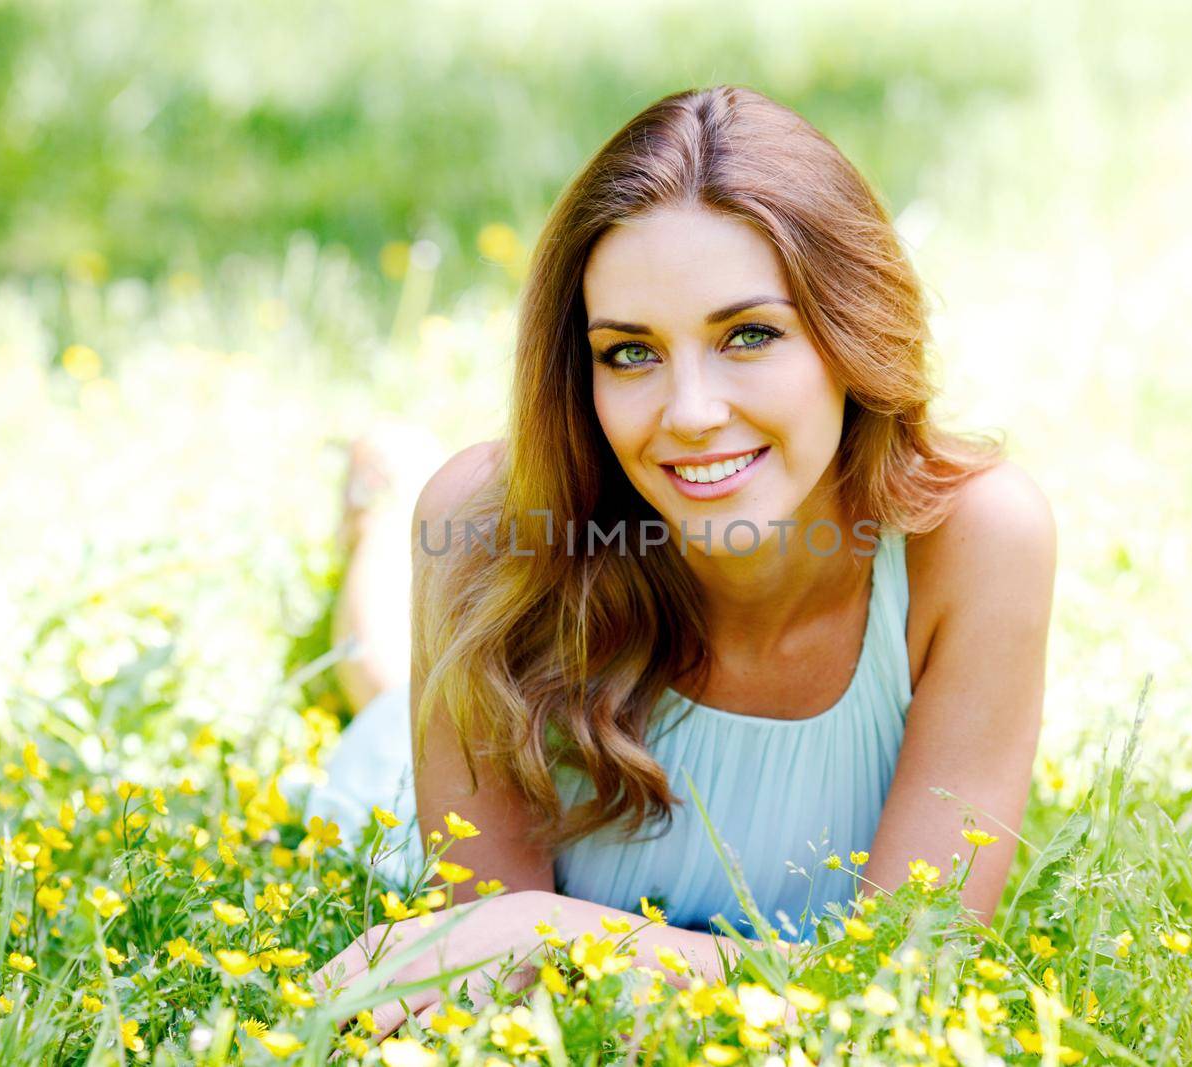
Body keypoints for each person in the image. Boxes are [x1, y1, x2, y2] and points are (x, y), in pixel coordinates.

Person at [308, 84, 1056, 1031]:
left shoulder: (976, 540)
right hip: (405, 749)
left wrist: (549, 934)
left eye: (749, 335)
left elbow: (912, 984)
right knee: (377, 683)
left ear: (848, 332)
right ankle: (382, 506)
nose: (692, 412)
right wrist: (516, 936)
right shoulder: (483, 531)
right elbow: (474, 961)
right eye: (630, 353)